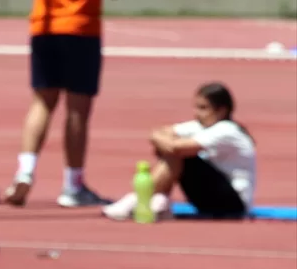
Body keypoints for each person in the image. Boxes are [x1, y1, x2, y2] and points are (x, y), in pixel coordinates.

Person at [4, 0, 138, 208]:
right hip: (80, 27)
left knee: (42, 101)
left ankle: (25, 172)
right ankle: (72, 184)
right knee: (77, 110)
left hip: (44, 23)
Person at [102, 82, 257, 221]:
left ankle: (140, 198)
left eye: (203, 108)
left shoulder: (227, 130)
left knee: (180, 154)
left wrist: (166, 144)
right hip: (209, 198)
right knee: (172, 150)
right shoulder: (200, 125)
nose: (197, 113)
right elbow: (158, 132)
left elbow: (175, 148)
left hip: (233, 204)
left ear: (221, 111)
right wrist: (164, 143)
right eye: (196, 107)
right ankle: (157, 199)